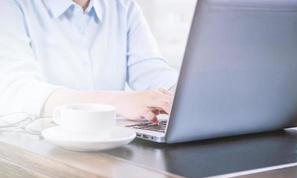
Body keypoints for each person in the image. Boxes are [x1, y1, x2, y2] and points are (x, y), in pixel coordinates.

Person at [0, 0, 178, 123]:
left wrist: (180, 95)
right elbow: (17, 92)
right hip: (36, 155)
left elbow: (150, 70)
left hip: (110, 148)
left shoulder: (123, 6)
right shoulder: (10, 6)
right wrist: (115, 102)